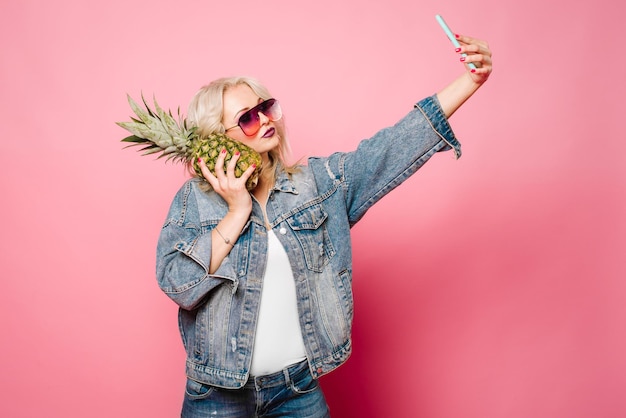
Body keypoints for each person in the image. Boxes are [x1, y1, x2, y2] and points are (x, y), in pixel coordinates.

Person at [156, 33, 492, 417]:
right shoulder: (193, 203)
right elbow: (177, 283)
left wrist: (471, 81)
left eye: (265, 107)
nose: (265, 119)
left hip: (296, 390)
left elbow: (390, 148)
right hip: (215, 394)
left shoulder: (318, 183)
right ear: (219, 139)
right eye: (247, 118)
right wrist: (236, 212)